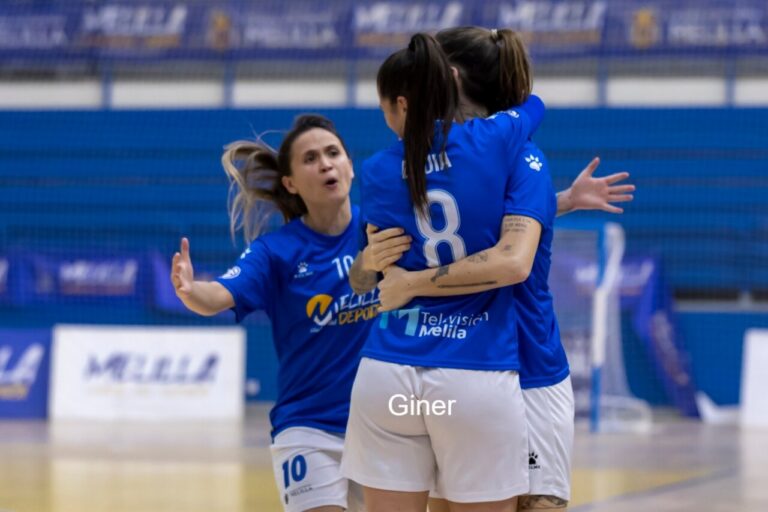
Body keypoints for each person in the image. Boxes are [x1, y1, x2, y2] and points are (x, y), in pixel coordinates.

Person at [351, 27, 633, 512]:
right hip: (478, 365)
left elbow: (508, 256)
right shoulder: (505, 146)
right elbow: (485, 230)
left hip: (503, 363)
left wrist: (556, 201)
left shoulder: (396, 165)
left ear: (450, 77)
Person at [340, 32, 554, 512]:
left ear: (400, 104)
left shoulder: (375, 170)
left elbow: (371, 274)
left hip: (389, 374)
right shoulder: (495, 140)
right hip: (473, 374)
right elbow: (533, 105)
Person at [170, 114, 396, 512]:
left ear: (350, 165)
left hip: (385, 425)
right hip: (308, 427)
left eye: (333, 153)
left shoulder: (381, 229)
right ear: (290, 183)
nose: (325, 164)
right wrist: (190, 291)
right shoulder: (276, 252)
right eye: (310, 158)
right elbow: (218, 295)